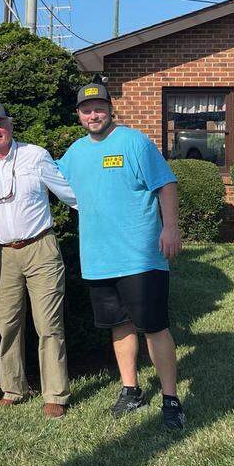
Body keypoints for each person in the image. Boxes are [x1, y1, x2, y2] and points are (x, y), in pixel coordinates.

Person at [58, 82, 186, 431]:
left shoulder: (134, 142)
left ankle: (171, 399)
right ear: (79, 115)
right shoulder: (75, 152)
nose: (93, 114)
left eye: (99, 108)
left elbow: (167, 184)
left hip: (141, 255)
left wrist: (170, 227)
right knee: (119, 325)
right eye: (86, 110)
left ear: (110, 109)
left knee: (154, 327)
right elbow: (47, 177)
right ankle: (131, 390)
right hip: (99, 257)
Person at [0, 102, 77, 418]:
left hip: (40, 248)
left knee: (48, 325)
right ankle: (13, 388)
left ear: (10, 124)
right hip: (0, 253)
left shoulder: (36, 155)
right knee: (7, 324)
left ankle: (55, 393)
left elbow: (69, 195)